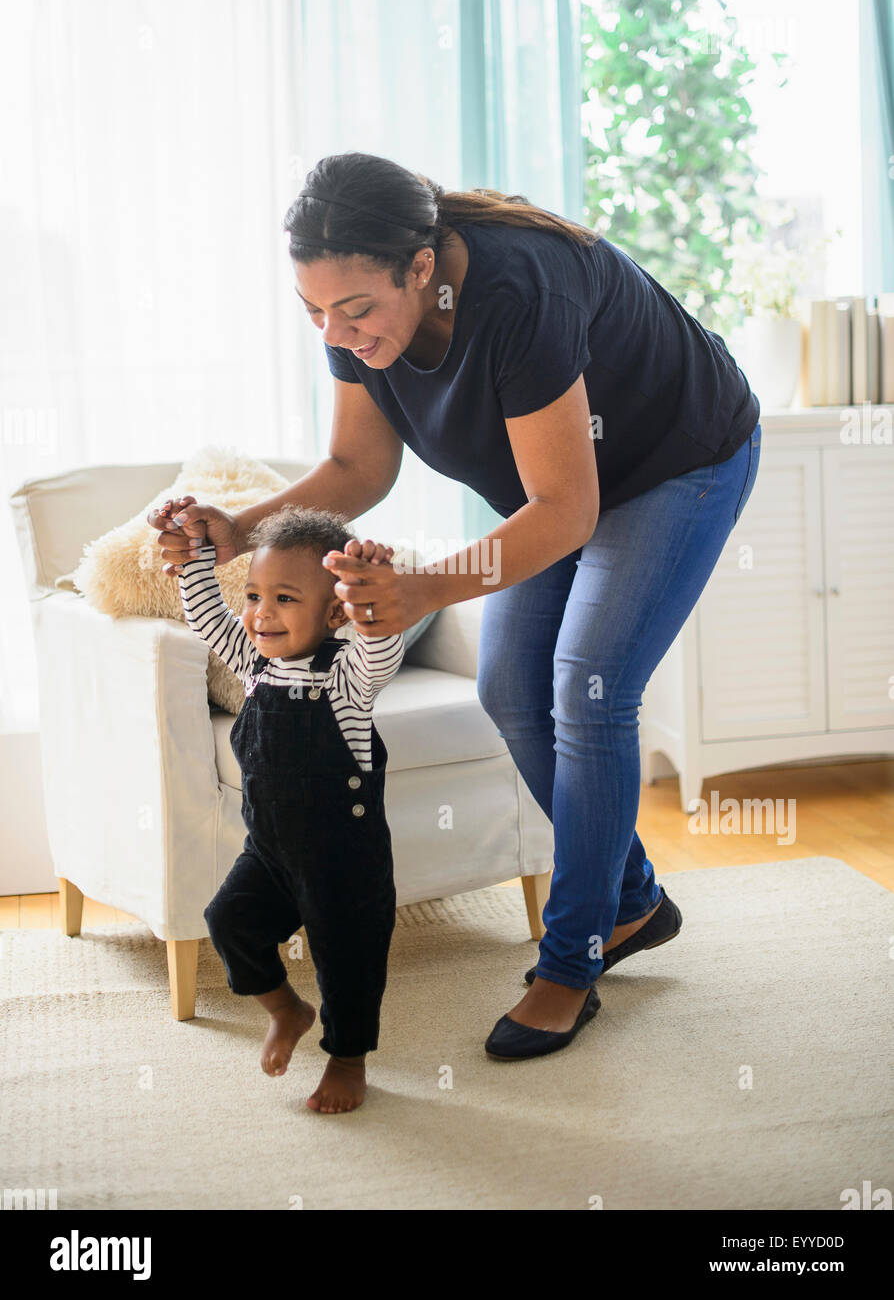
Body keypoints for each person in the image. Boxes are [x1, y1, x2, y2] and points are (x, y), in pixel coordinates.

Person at [149, 150, 762, 1062]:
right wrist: (236, 527)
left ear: (423, 266)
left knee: (588, 686)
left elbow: (570, 510)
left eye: (356, 310)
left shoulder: (519, 295)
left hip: (679, 462)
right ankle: (629, 901)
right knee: (510, 689)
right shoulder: (352, 309)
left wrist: (423, 589)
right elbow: (359, 469)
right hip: (557, 492)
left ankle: (571, 957)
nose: (339, 330)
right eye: (315, 312)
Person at [169, 499, 404, 1111]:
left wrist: (369, 594)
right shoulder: (258, 669)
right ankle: (286, 1010)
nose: (260, 614)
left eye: (284, 599)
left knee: (345, 963)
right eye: (253, 595)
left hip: (344, 866)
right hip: (269, 853)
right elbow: (207, 618)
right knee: (228, 922)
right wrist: (195, 552)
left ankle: (347, 1060)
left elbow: (380, 648)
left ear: (333, 612)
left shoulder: (346, 681)